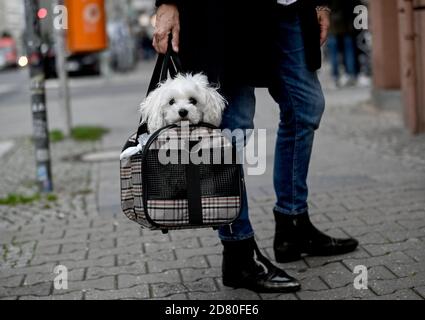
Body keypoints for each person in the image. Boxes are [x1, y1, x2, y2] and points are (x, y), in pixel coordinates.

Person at [153, 0, 359, 293]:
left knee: (305, 107)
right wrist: (167, 3)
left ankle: (293, 225)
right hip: (226, 16)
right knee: (232, 126)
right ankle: (239, 253)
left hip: (289, 8)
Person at [327, 0, 361, 87]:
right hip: (347, 24)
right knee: (348, 50)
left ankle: (336, 76)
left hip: (334, 23)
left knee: (334, 51)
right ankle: (350, 74)